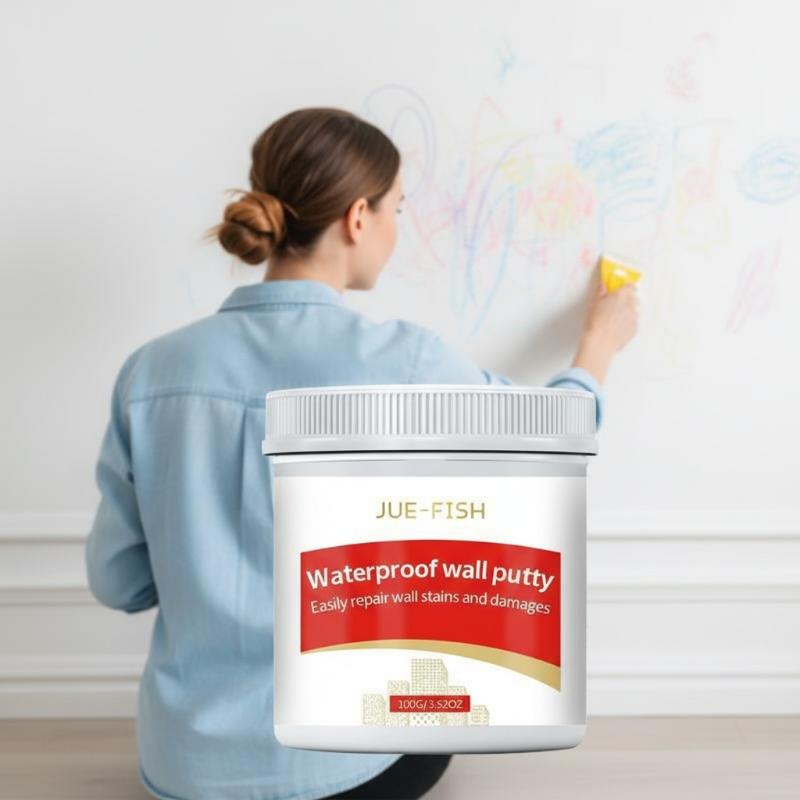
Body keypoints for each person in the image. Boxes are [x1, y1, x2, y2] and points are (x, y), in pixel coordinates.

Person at [85, 107, 638, 800]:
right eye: (396, 209)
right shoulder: (405, 361)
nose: (396, 229)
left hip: (184, 773)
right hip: (344, 771)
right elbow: (556, 429)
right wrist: (599, 344)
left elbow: (118, 583)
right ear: (357, 217)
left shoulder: (150, 373)